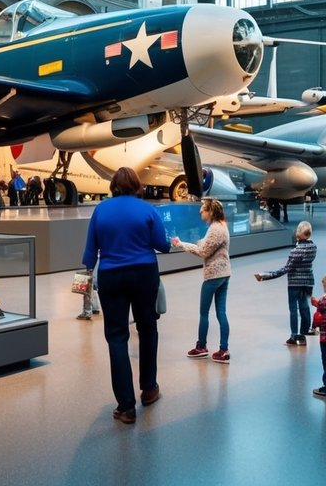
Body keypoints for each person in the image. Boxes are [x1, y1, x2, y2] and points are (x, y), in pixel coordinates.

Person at [81, 166, 171, 426]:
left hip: (112, 276)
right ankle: (150, 389)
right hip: (144, 274)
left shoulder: (101, 210)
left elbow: (90, 252)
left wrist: (88, 271)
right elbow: (162, 245)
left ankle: (126, 406)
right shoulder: (147, 210)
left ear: (113, 186)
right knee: (147, 329)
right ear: (136, 185)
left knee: (117, 337)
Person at [172, 198, 231, 363]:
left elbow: (203, 251)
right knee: (221, 312)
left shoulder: (215, 229)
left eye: (203, 209)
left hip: (214, 275)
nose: (200, 212)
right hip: (224, 274)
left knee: (204, 313)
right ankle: (223, 349)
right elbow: (206, 245)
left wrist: (181, 244)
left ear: (210, 211)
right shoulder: (221, 226)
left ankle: (201, 346)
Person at [255, 220, 317, 346]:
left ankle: (294, 336)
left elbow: (285, 269)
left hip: (294, 283)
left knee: (293, 309)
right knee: (304, 307)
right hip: (308, 282)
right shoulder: (313, 247)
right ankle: (304, 333)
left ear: (298, 234)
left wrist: (265, 276)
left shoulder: (295, 251)